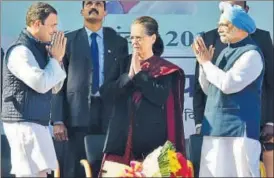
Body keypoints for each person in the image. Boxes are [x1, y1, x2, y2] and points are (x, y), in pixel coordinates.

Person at [51, 1, 128, 177]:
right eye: (89, 3)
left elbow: (124, 80)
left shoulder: (119, 42)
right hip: (77, 112)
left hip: (110, 113)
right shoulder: (68, 41)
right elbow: (57, 83)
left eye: (99, 4)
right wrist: (57, 120)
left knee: (109, 165)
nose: (94, 6)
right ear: (82, 11)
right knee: (77, 166)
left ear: (105, 12)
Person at [100, 16, 186, 174]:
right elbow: (106, 93)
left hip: (153, 145)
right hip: (121, 140)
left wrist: (140, 75)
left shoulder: (166, 70)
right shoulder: (122, 63)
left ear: (152, 38)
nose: (134, 42)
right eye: (131, 37)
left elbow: (159, 97)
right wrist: (128, 77)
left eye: (139, 38)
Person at [192, 2, 264, 177]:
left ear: (240, 26)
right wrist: (203, 66)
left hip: (239, 132)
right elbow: (211, 90)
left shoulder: (251, 54)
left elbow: (228, 84)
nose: (219, 30)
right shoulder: (224, 53)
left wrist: (206, 63)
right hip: (214, 130)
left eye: (224, 25)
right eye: (219, 25)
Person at [1, 2, 67, 177]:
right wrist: (55, 60)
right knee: (29, 174)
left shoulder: (42, 49)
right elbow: (40, 83)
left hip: (37, 122)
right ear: (37, 23)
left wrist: (57, 59)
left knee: (41, 173)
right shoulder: (20, 51)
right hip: (23, 123)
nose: (55, 30)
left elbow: (54, 87)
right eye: (52, 25)